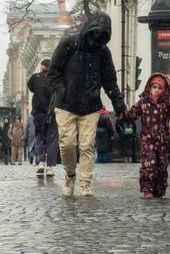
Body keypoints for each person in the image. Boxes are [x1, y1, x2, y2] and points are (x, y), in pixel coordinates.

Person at [48, 11, 127, 197]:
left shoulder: (103, 51)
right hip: (66, 104)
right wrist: (63, 91)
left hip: (90, 105)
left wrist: (119, 103)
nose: (98, 35)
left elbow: (109, 80)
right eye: (96, 31)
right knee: (66, 144)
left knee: (87, 146)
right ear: (89, 28)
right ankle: (70, 175)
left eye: (102, 33)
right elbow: (53, 72)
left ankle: (85, 183)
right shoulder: (69, 43)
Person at [119, 74, 170, 197]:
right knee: (149, 163)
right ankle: (147, 189)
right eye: (154, 87)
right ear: (149, 87)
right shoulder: (143, 102)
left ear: (164, 89)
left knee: (161, 166)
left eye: (159, 87)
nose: (157, 90)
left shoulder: (168, 102)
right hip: (147, 140)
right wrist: (122, 114)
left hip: (163, 141)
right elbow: (132, 114)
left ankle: (159, 189)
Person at [28, 58, 59, 176]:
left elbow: (30, 87)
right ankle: (50, 167)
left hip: (38, 113)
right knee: (51, 139)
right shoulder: (54, 79)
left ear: (41, 66)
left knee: (39, 137)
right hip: (51, 113)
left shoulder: (35, 78)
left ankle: (40, 162)